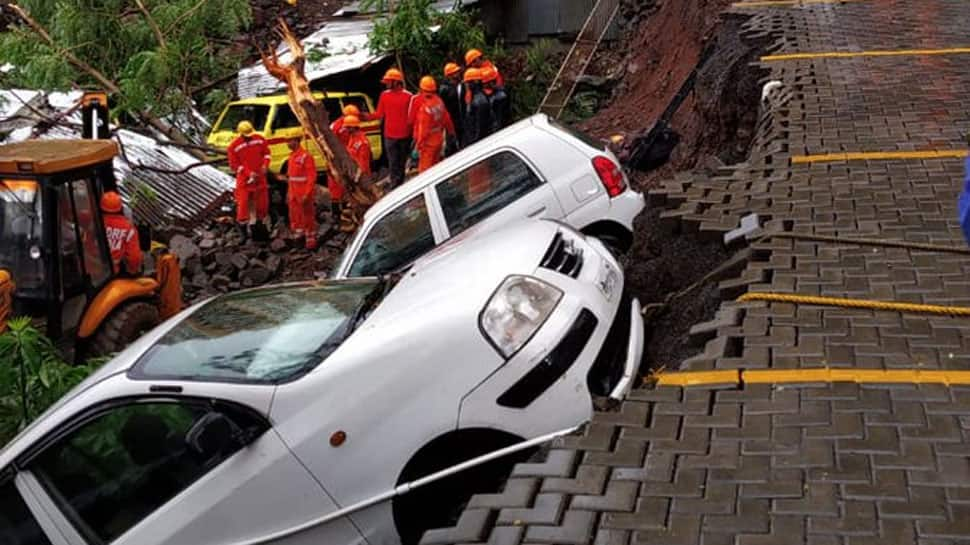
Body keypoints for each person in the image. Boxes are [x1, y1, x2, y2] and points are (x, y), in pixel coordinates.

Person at [363, 68, 413, 187]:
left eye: (388, 81)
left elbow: (413, 117)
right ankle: (395, 184)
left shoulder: (409, 96)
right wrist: (365, 117)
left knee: (401, 162)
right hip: (390, 136)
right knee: (393, 162)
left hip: (405, 136)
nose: (386, 84)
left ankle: (400, 184)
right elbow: (379, 114)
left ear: (396, 82)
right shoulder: (384, 95)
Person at [226, 120, 271, 240]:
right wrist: (248, 173)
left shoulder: (260, 139)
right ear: (240, 133)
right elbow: (234, 165)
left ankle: (259, 228)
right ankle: (244, 232)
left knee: (262, 203)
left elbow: (267, 154)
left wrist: (265, 165)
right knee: (243, 204)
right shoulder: (233, 146)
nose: (249, 138)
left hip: (260, 177)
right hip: (245, 180)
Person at [412, 76, 456, 173]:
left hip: (428, 144)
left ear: (422, 90)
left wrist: (417, 147)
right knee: (435, 168)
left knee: (425, 171)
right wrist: (451, 132)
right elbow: (447, 119)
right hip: (438, 140)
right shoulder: (439, 101)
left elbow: (423, 130)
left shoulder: (426, 108)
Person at [282, 135, 318, 250]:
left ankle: (310, 239)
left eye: (289, 141)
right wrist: (288, 193)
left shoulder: (305, 156)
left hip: (303, 191)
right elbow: (291, 177)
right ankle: (299, 237)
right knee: (295, 215)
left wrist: (307, 193)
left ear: (296, 141)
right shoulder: (292, 156)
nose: (287, 144)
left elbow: (311, 177)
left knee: (307, 215)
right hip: (293, 191)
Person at [101, 191, 142, 275]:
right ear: (120, 208)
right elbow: (134, 257)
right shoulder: (128, 228)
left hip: (93, 273)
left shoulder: (95, 223)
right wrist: (133, 270)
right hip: (112, 273)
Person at [462, 68, 492, 147]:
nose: (467, 85)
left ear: (475, 82)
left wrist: (474, 143)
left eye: (468, 82)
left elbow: (481, 126)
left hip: (477, 142)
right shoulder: (476, 97)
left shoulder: (479, 101)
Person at [439, 62, 463, 154]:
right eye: (455, 72)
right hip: (451, 120)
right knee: (451, 143)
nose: (458, 73)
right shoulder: (445, 89)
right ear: (450, 75)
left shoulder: (458, 85)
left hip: (459, 119)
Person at [482, 66, 509, 133]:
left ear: (490, 82)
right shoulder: (501, 91)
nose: (484, 86)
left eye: (485, 84)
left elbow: (498, 118)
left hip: (499, 129)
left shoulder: (498, 97)